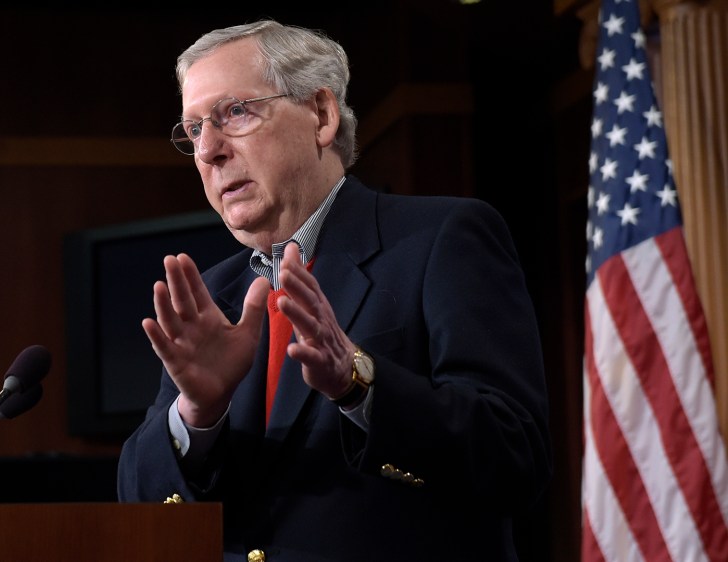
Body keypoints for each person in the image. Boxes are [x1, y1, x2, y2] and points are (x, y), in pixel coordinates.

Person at [117, 18, 551, 562]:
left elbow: (516, 459)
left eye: (234, 112)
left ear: (321, 116)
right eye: (194, 129)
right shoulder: (212, 295)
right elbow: (140, 502)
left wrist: (359, 382)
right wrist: (198, 412)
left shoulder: (443, 238)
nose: (209, 151)